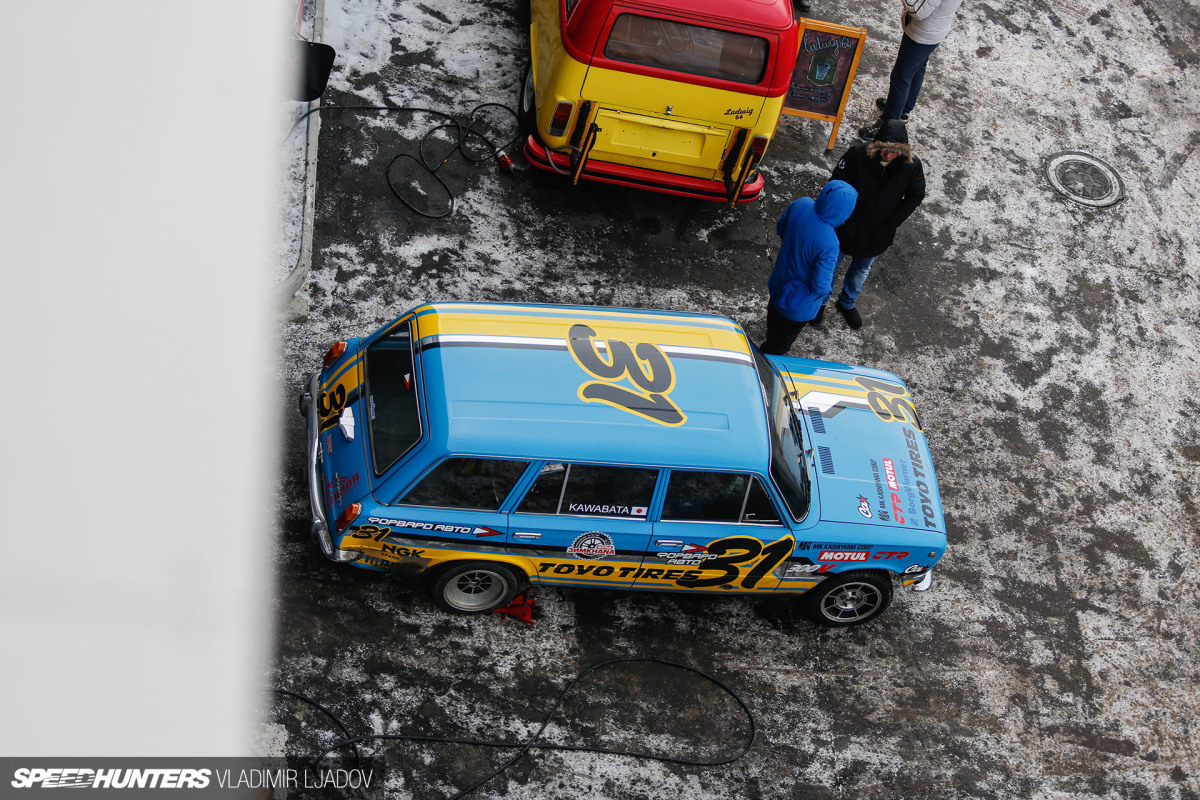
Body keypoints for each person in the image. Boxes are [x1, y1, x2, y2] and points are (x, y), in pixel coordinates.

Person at [824, 119, 925, 329]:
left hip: (877, 232)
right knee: (830, 265)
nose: (888, 156)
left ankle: (847, 303)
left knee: (861, 270)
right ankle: (821, 302)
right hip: (845, 226)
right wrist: (841, 215)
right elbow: (837, 182)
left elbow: (915, 196)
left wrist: (891, 223)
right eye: (884, 150)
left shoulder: (912, 167)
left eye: (893, 152)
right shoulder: (856, 155)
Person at [760, 180, 858, 355]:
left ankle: (770, 337)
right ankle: (763, 366)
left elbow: (781, 227)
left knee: (773, 320)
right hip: (797, 303)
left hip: (779, 280)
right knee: (779, 345)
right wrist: (823, 296)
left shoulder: (802, 203)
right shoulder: (830, 242)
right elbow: (821, 284)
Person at [860, 0, 964, 139]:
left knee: (901, 77)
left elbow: (918, 10)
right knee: (917, 68)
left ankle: (889, 122)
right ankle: (902, 109)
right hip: (933, 29)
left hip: (923, 33)